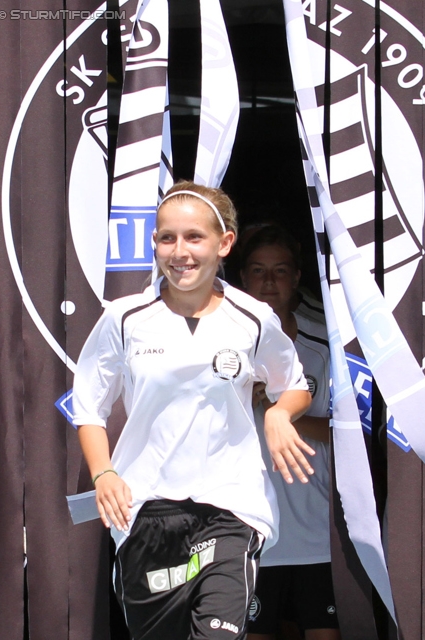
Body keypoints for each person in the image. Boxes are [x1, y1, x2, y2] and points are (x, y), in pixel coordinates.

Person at [72, 181, 313, 640]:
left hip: (231, 507)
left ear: (224, 243)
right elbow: (88, 405)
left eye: (194, 237)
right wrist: (103, 474)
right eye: (167, 237)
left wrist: (279, 414)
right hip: (144, 510)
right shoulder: (123, 318)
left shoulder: (253, 317)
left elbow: (294, 386)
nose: (179, 251)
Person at [241, 226, 341, 640]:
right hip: (251, 529)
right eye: (258, 270)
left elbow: (350, 433)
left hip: (318, 527)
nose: (268, 282)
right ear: (241, 277)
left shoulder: (328, 342)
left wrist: (281, 411)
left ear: (298, 276)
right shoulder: (221, 341)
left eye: (280, 271)